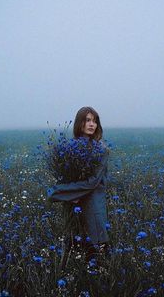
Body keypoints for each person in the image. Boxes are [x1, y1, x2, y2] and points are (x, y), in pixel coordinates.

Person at [47, 106, 110, 270]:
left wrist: (58, 192)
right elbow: (65, 175)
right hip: (73, 207)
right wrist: (70, 195)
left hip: (92, 207)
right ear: (79, 123)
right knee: (73, 258)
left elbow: (92, 183)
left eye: (94, 121)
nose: (92, 124)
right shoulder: (70, 147)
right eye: (87, 120)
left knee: (96, 258)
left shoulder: (101, 150)